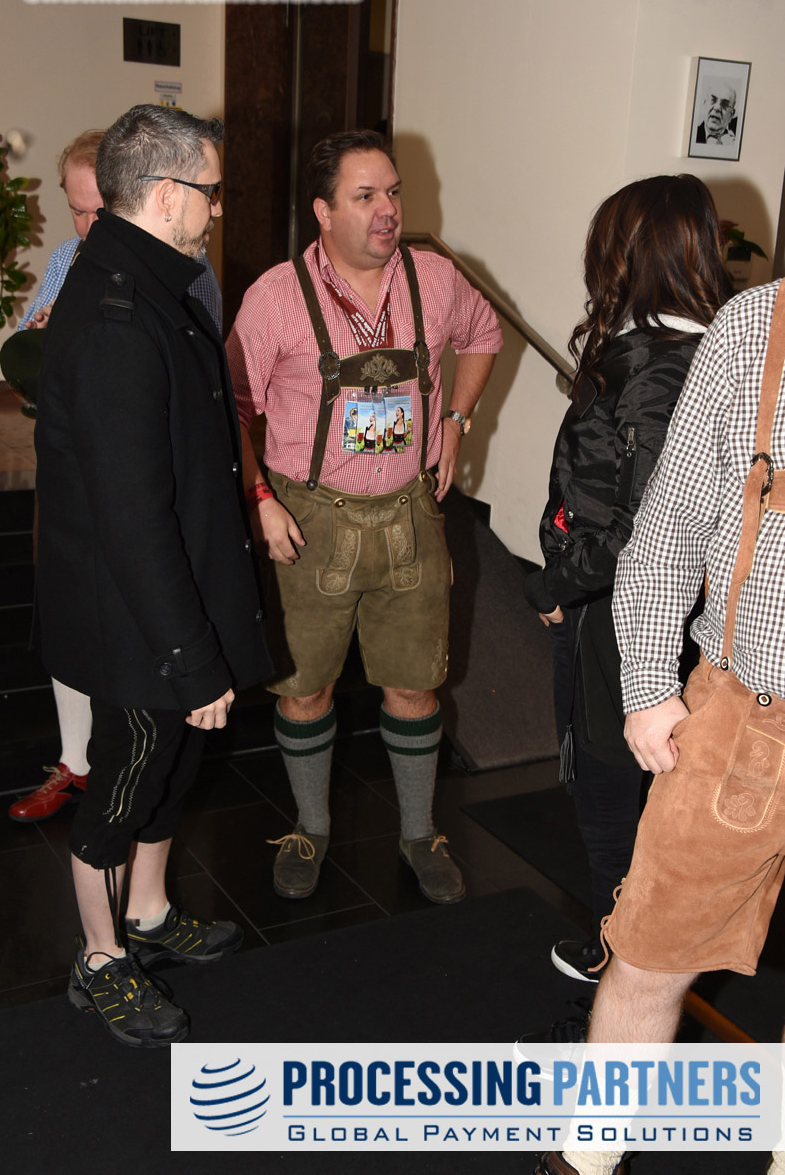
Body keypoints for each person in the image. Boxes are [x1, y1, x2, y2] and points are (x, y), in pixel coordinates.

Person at [535, 275, 785, 1174]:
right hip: (743, 721)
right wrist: (646, 682)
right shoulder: (761, 323)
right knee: (647, 954)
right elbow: (672, 519)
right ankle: (587, 1157)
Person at [34, 104, 271, 1047]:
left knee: (172, 767)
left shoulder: (150, 278)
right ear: (168, 194)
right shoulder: (116, 313)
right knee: (124, 782)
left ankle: (148, 910)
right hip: (135, 613)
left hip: (174, 588)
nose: (215, 209)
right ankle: (98, 959)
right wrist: (190, 655)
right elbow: (131, 518)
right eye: (209, 192)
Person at [226, 129, 502, 905]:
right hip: (309, 522)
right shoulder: (276, 297)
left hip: (410, 514)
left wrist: (457, 419)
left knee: (415, 687)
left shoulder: (436, 279)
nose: (388, 211)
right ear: (322, 211)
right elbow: (230, 404)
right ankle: (310, 825)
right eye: (366, 196)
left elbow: (484, 336)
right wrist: (259, 499)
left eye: (393, 192)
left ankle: (418, 832)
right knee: (303, 688)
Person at [523, 175, 733, 994]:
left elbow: (639, 526)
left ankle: (627, 970)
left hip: (623, 611)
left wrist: (555, 582)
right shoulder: (718, 347)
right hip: (687, 608)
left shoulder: (649, 362)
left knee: (612, 793)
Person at [8, 129, 224, 823]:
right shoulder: (70, 261)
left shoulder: (186, 268)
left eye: (97, 206)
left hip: (145, 477)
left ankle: (118, 805)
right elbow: (31, 357)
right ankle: (75, 761)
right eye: (76, 209)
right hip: (78, 473)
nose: (88, 223)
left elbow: (206, 374)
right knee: (76, 615)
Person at [695, 77, 737, 146]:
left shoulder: (735, 143)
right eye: (713, 100)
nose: (717, 108)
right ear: (705, 104)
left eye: (725, 104)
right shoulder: (691, 135)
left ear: (731, 115)